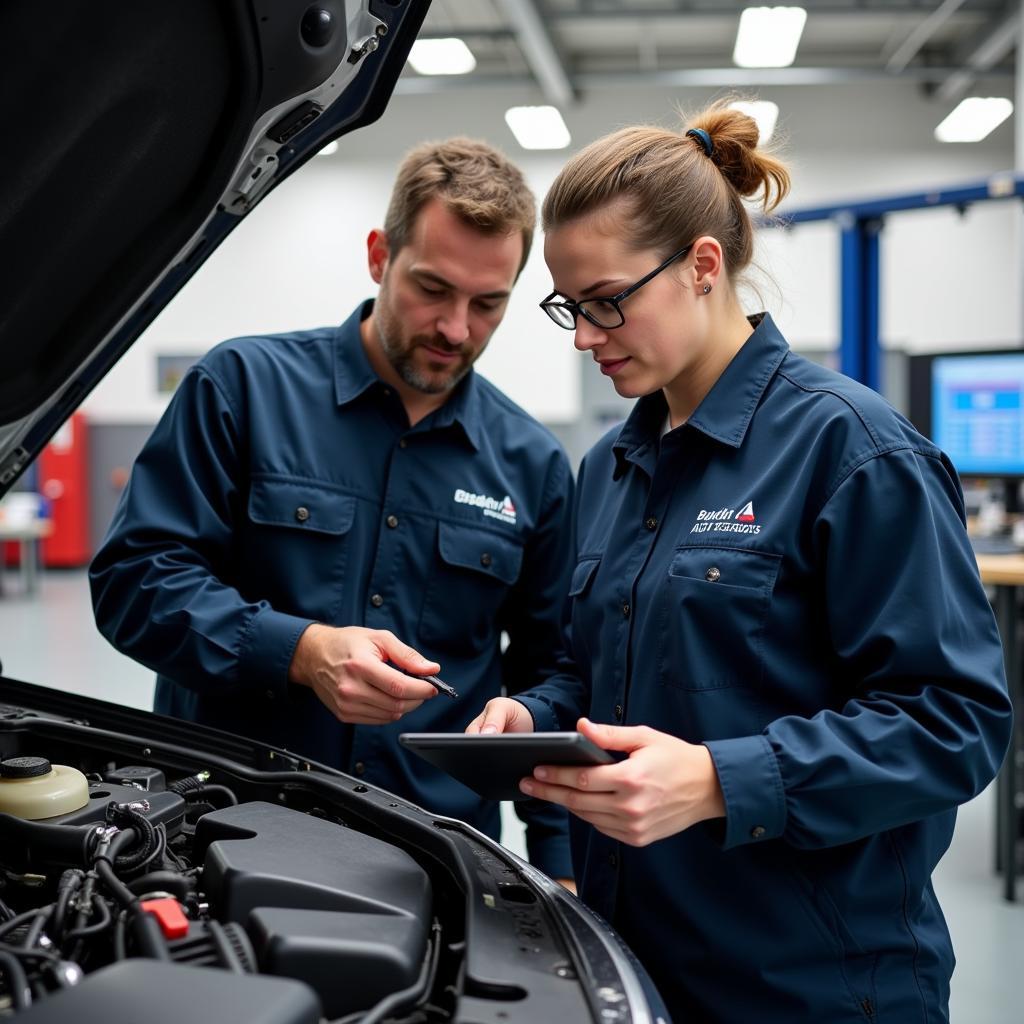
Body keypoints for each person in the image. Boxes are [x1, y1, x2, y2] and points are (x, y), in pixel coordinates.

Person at [467, 103, 1013, 1021]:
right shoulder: (611, 466)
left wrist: (724, 780)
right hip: (635, 958)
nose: (584, 336)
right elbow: (596, 666)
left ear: (702, 267)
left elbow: (954, 722)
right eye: (569, 306)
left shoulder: (855, 453)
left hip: (812, 981)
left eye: (607, 302)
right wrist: (538, 710)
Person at [90, 137, 575, 884]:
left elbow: (555, 671)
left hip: (434, 851)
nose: (455, 328)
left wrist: (558, 860)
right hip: (225, 828)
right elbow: (134, 582)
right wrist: (300, 651)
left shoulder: (532, 464)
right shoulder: (241, 389)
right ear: (380, 255)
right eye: (432, 288)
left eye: (488, 304)